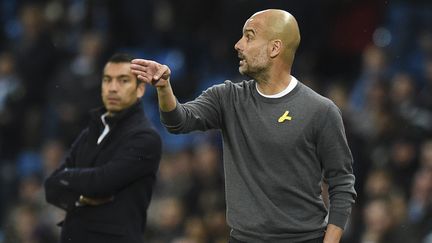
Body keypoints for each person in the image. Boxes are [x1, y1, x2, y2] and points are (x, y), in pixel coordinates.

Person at [131, 9, 356, 243]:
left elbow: (342, 183)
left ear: (274, 48)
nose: (238, 45)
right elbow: (178, 121)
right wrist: (164, 88)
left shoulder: (321, 110)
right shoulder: (227, 98)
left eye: (249, 36)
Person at [44, 53, 162, 243]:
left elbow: (101, 183)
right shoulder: (90, 132)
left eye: (123, 81)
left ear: (140, 89)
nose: (112, 88)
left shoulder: (145, 138)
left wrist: (68, 179)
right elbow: (51, 186)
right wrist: (81, 195)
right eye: (107, 80)